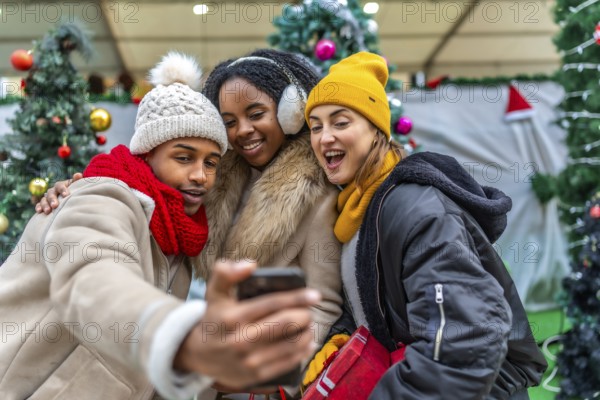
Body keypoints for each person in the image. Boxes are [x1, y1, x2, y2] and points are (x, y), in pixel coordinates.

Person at [0, 52, 321, 400]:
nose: (199, 176)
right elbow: (93, 279)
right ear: (148, 154)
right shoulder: (101, 199)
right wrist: (179, 337)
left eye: (211, 162)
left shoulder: (177, 232)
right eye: (183, 158)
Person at [301, 52, 548, 399]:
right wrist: (344, 334)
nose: (324, 137)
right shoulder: (356, 211)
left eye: (341, 122)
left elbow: (464, 335)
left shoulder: (415, 208)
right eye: (316, 126)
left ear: (376, 130)